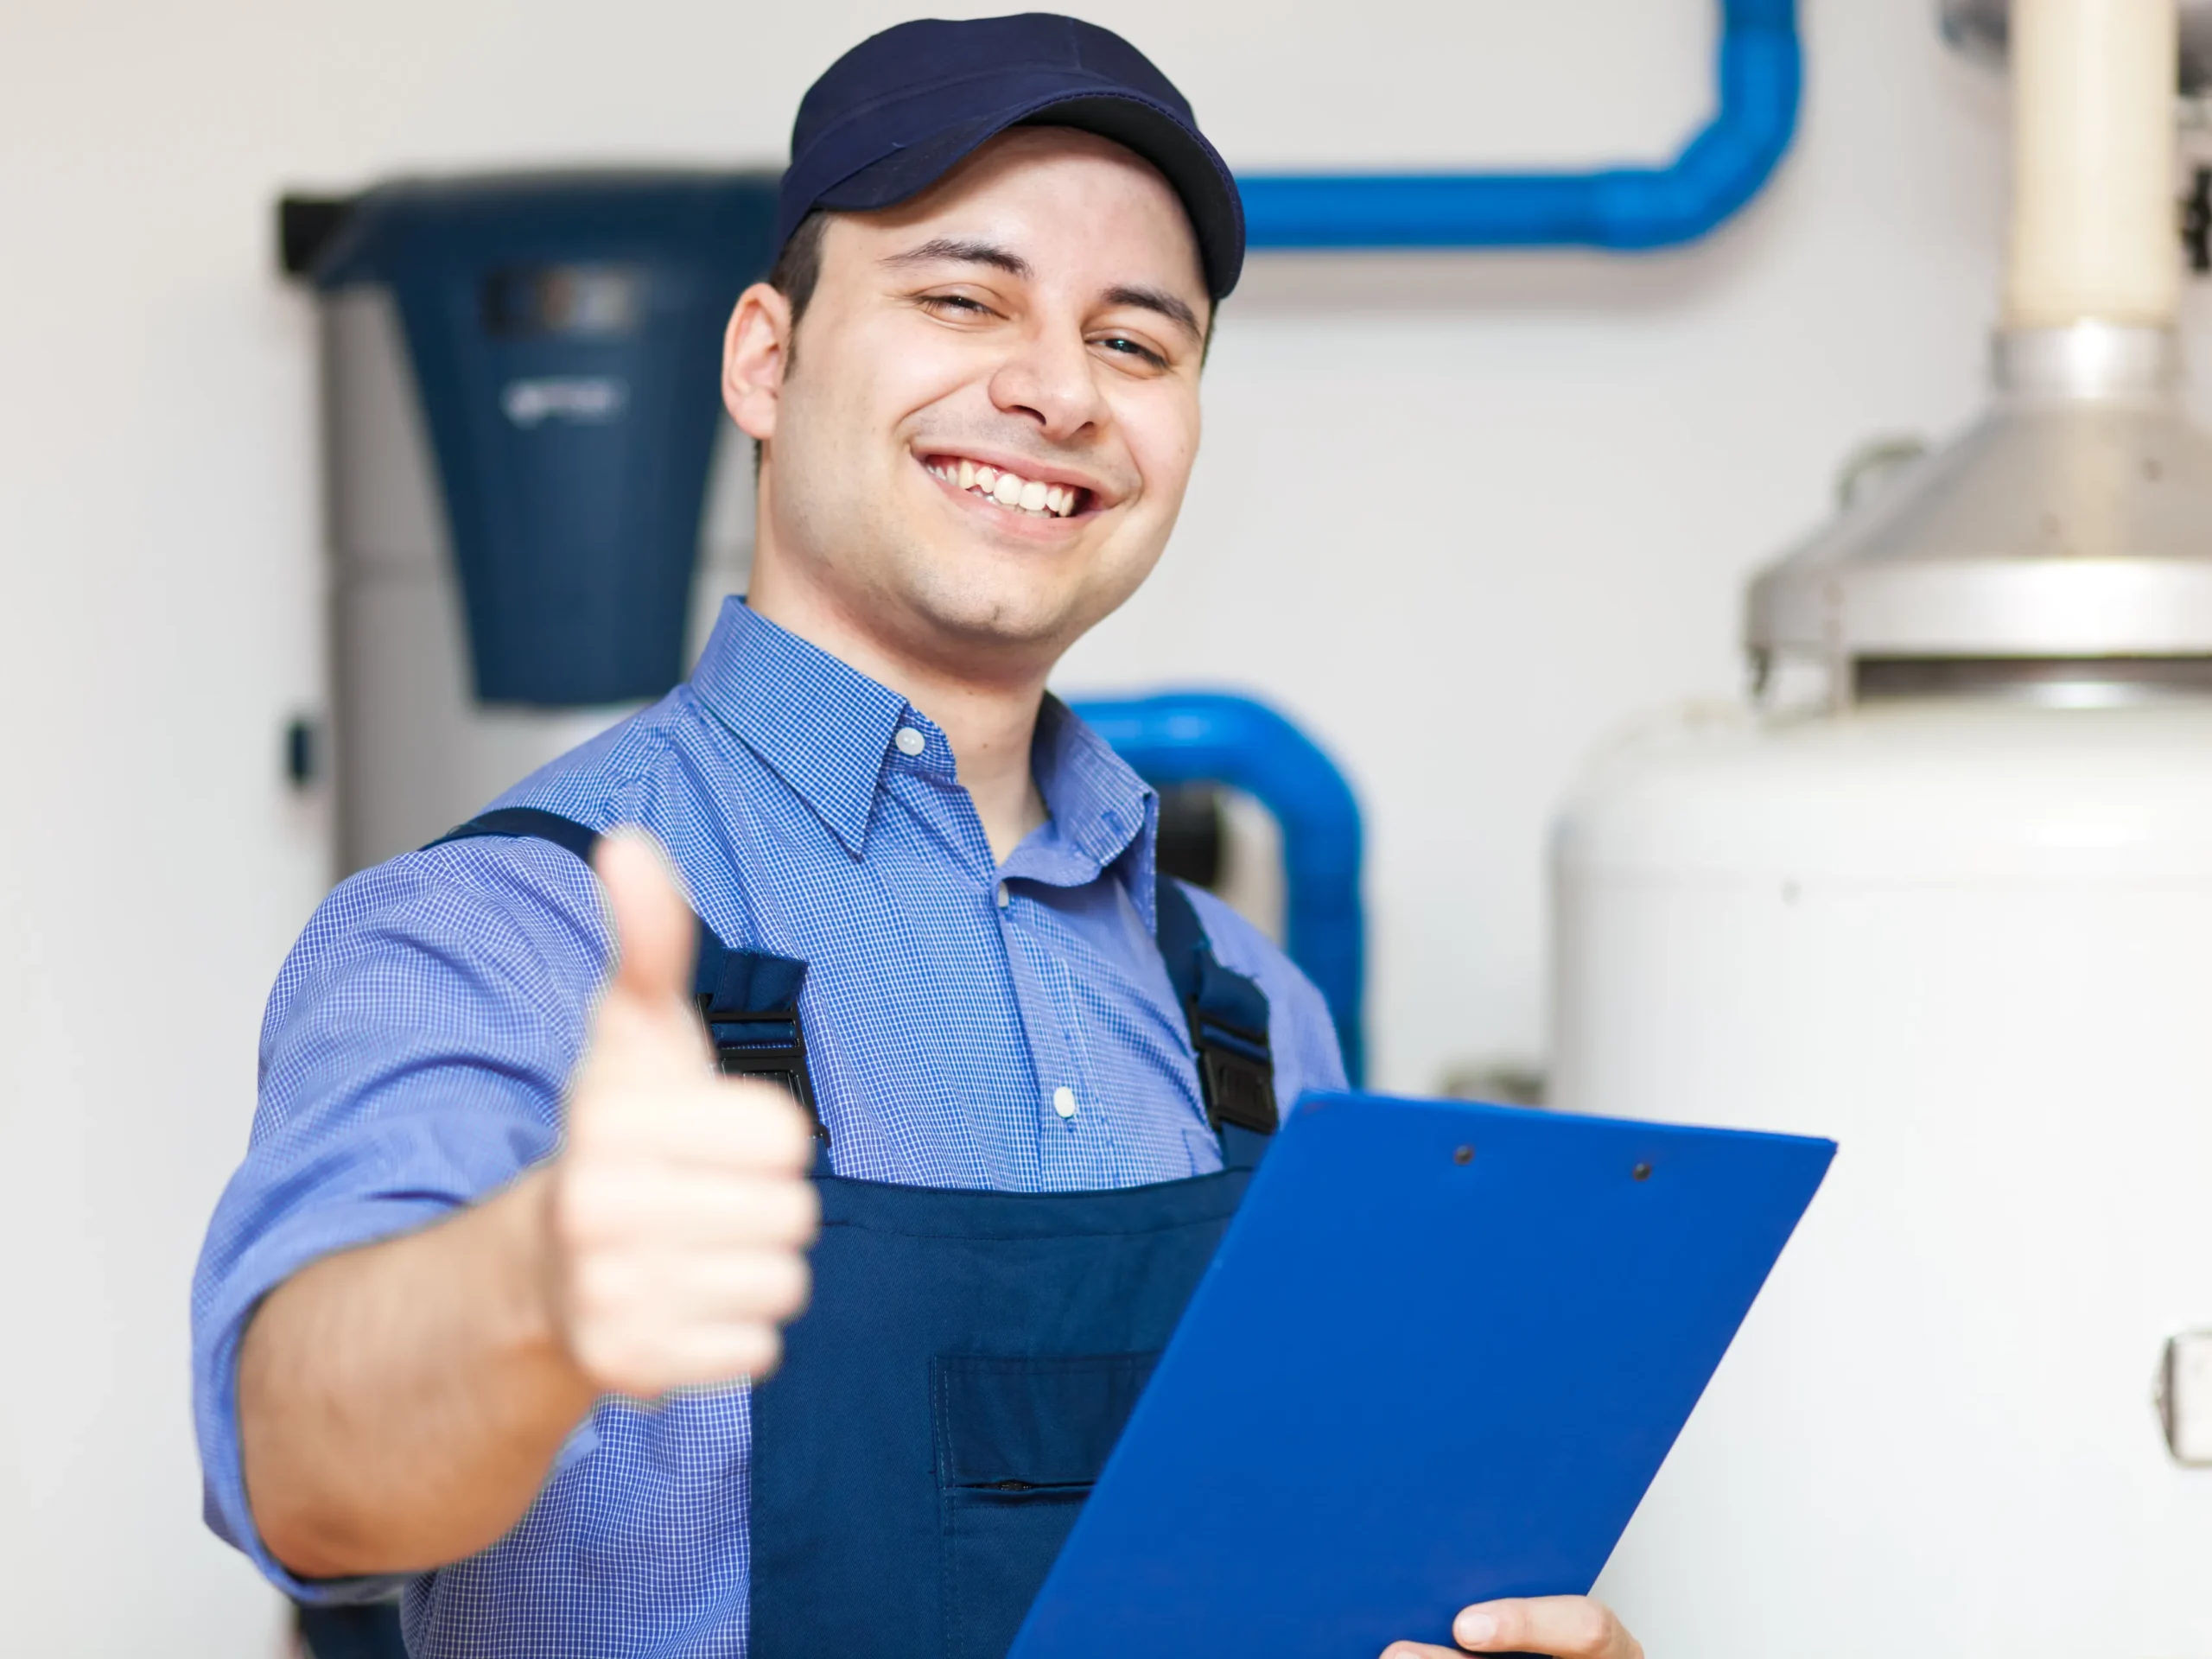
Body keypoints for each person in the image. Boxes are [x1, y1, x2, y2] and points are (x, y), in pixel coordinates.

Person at [193, 16, 1644, 1659]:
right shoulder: (503, 932)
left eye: (1139, 344)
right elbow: (295, 1468)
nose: (1055, 391)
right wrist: (532, 1289)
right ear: (765, 357)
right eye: (963, 299)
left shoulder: (1249, 1012)